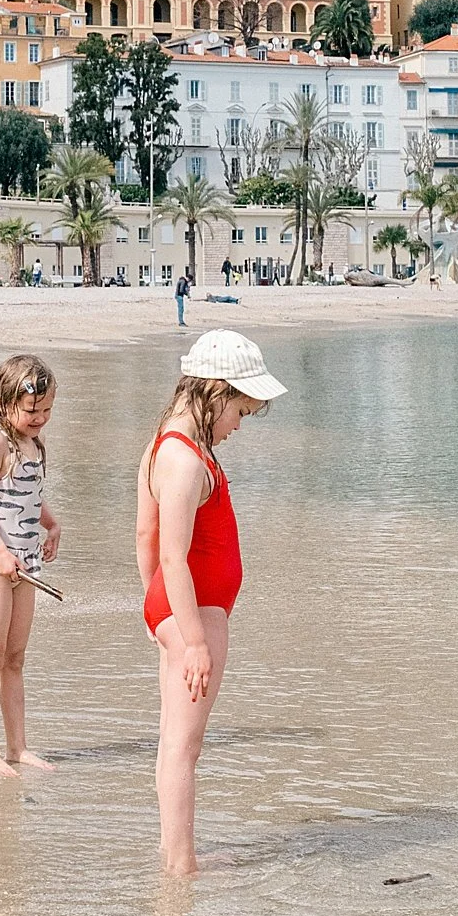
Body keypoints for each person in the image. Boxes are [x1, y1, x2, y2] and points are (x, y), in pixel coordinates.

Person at [136, 329, 286, 875]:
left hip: (179, 608)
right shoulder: (184, 458)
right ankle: (182, 865)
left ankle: (173, 851)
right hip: (193, 611)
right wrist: (192, 638)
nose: (239, 425)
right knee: (183, 747)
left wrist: (157, 611)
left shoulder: (167, 444)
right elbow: (172, 556)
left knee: (173, 740)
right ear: (216, 392)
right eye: (241, 411)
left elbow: (143, 539)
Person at [0, 354, 62, 777]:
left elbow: (28, 495)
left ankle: (18, 747)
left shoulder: (33, 444)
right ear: (5, 404)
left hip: (26, 563)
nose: (39, 418)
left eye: (46, 410)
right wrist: (1, 552)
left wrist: (52, 524)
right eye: (31, 410)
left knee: (16, 658)